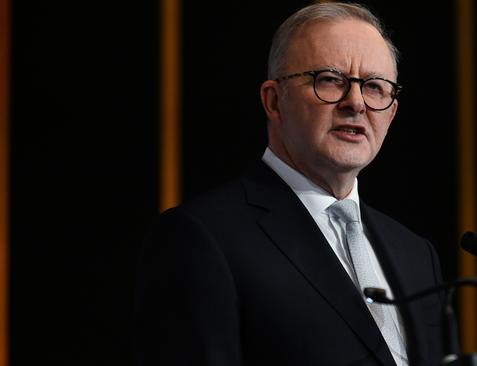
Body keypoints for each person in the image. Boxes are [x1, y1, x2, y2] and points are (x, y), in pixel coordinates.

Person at [134, 2, 445, 366]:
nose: (356, 103)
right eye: (330, 80)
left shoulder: (416, 254)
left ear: (391, 113)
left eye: (375, 87)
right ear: (274, 100)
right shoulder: (203, 237)